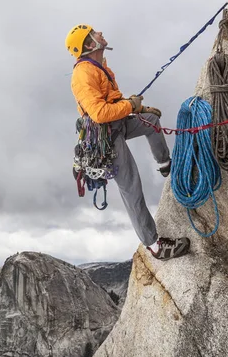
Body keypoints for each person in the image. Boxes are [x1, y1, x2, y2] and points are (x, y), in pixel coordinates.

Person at [65, 24, 190, 260]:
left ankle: (165, 165)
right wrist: (132, 106)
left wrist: (140, 108)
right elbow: (99, 113)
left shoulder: (99, 66)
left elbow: (113, 102)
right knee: (131, 186)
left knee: (151, 119)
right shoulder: (83, 74)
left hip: (117, 123)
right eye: (95, 34)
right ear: (89, 44)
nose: (100, 33)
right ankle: (153, 244)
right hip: (106, 136)